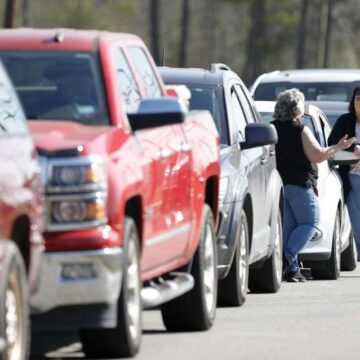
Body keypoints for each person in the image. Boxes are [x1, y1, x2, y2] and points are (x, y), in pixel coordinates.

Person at [271, 88, 355, 283]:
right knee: (311, 222)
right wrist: (338, 147)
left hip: (279, 185)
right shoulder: (301, 129)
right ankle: (287, 257)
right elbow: (317, 155)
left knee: (290, 228)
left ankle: (291, 271)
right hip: (300, 185)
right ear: (296, 108)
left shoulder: (271, 128)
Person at [328, 85, 360, 258]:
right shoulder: (345, 120)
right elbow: (332, 143)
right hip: (353, 175)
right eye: (357, 98)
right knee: (356, 218)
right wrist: (353, 148)